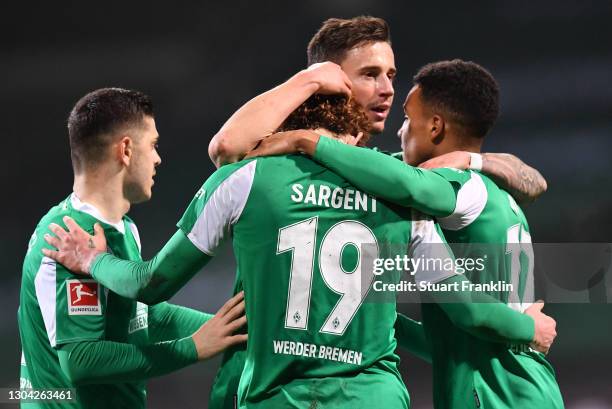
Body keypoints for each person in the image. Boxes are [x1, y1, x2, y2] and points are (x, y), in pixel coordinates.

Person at [44, 93, 555, 409]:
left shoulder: (242, 178)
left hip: (276, 397)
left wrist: (92, 260)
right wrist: (526, 328)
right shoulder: (402, 197)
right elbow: (462, 307)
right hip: (370, 399)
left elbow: (151, 284)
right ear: (354, 135)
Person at [249, 59, 565, 408]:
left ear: (434, 127)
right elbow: (447, 341)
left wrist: (306, 142)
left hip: (496, 393)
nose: (399, 132)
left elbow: (408, 186)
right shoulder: (495, 191)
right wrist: (355, 318)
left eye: (406, 120)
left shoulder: (457, 188)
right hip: (526, 383)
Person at [18, 88, 247, 409]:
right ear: (125, 150)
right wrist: (192, 348)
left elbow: (143, 317)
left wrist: (234, 331)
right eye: (152, 145)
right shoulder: (68, 236)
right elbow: (81, 360)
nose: (158, 158)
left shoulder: (123, 228)